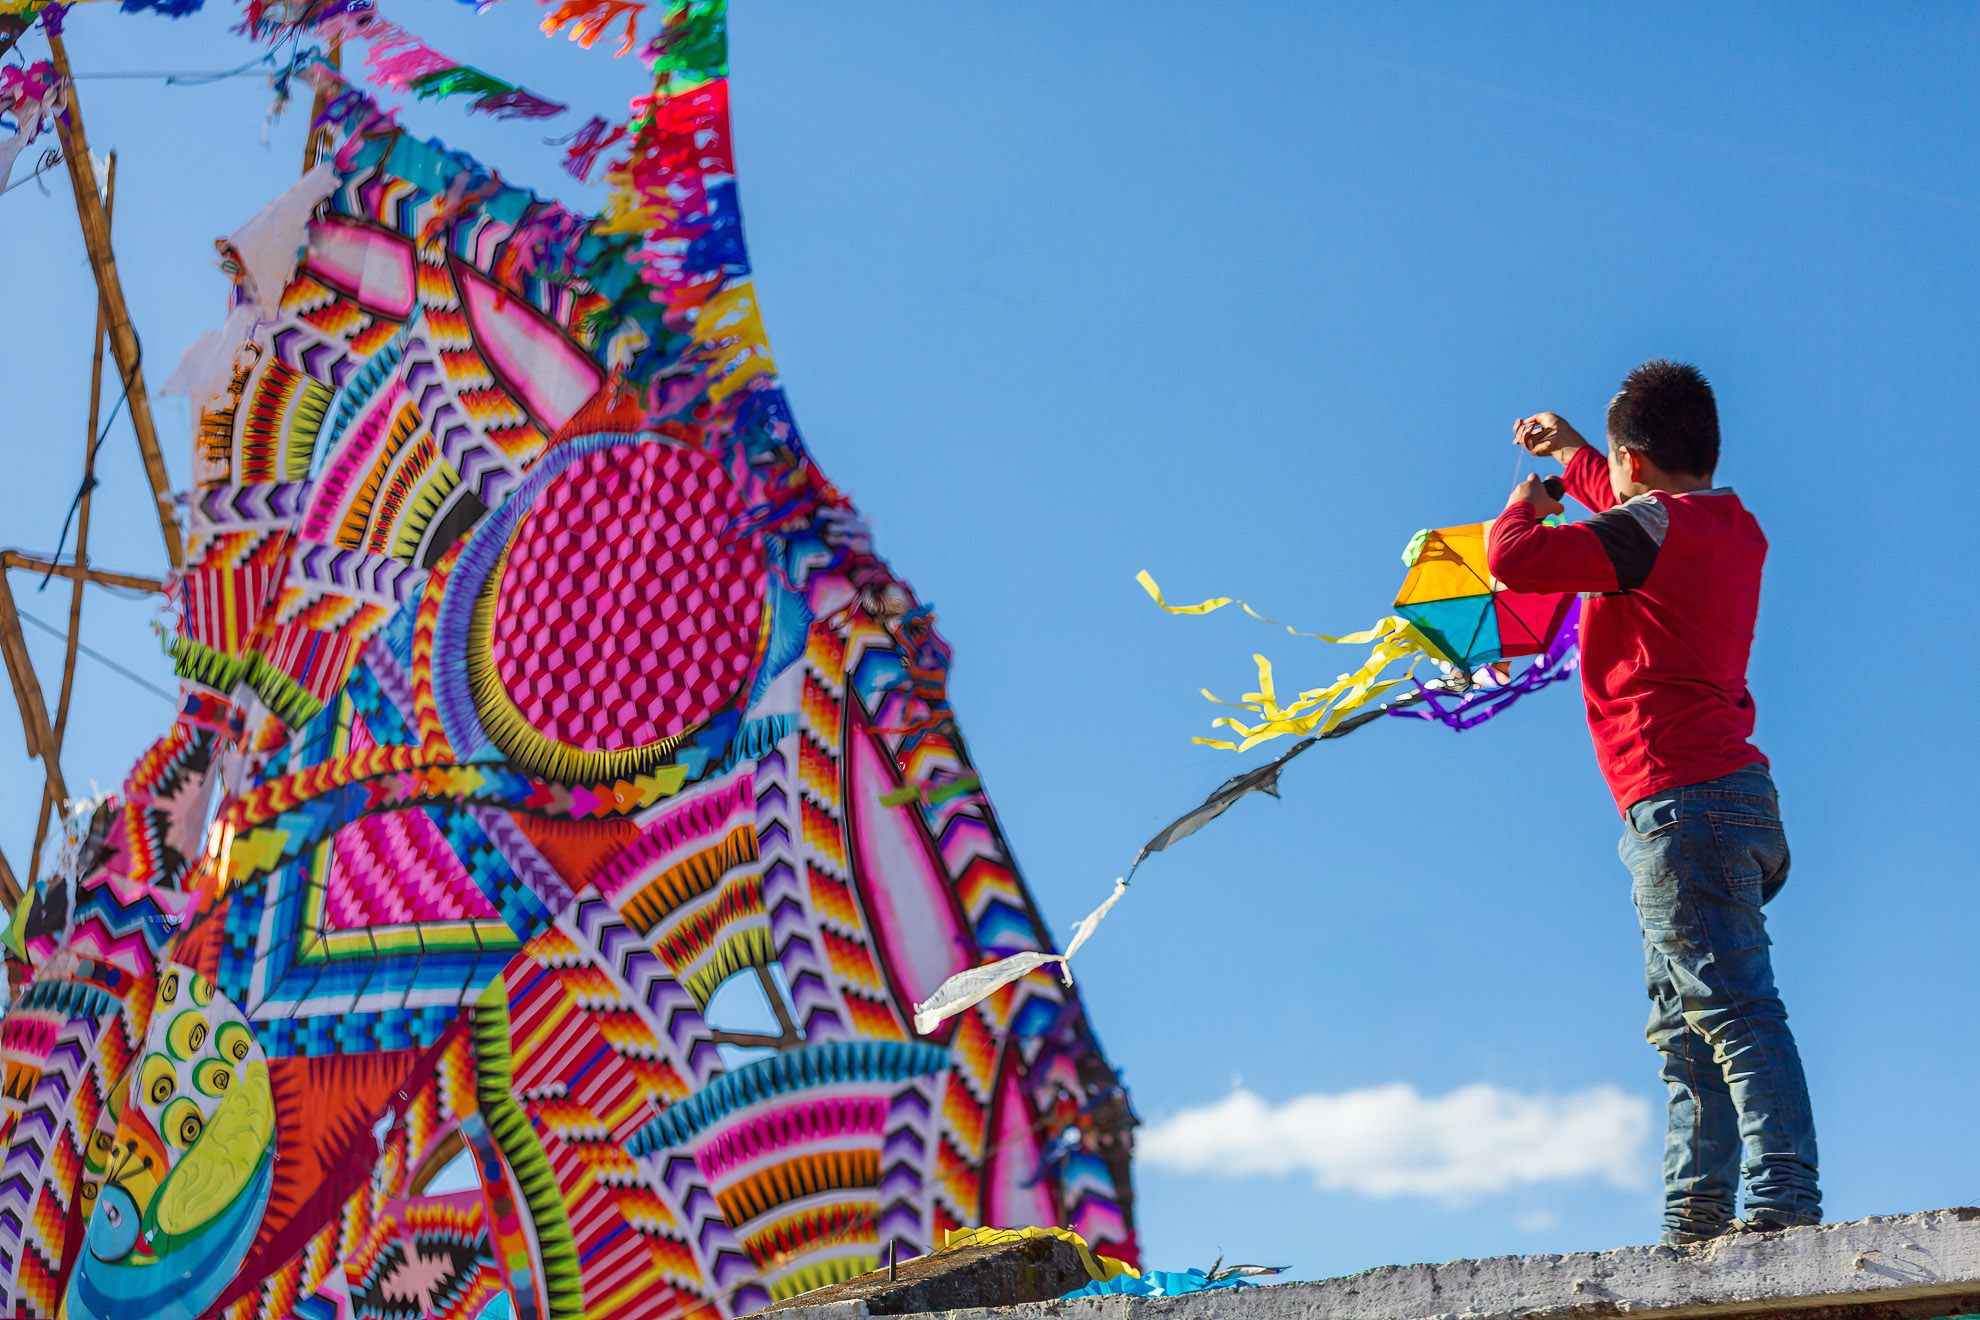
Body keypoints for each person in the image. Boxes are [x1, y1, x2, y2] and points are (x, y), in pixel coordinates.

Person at [1486, 360, 1819, 1245]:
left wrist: (1526, 503)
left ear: (1632, 460)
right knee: (1686, 1024)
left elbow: (1514, 560)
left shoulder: (1649, 529)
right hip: (1725, 798)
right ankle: (1695, 1221)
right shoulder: (1727, 524)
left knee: (1732, 1012)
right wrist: (1575, 452)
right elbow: (1630, 501)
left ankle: (1785, 1205)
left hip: (1681, 802)